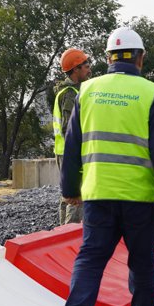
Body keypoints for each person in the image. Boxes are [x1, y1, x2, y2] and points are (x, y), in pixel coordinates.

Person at [59, 27, 154, 306]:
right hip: (139, 197)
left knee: (90, 258)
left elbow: (72, 147)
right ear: (140, 58)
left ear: (108, 58)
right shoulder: (152, 93)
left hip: (98, 194)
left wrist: (69, 188)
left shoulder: (88, 91)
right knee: (141, 261)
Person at [53, 48, 91, 224]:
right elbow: (69, 129)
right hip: (70, 151)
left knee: (67, 195)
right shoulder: (70, 94)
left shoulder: (73, 90)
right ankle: (71, 234)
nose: (89, 68)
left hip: (66, 151)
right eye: (86, 65)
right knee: (76, 196)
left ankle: (63, 233)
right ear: (76, 69)